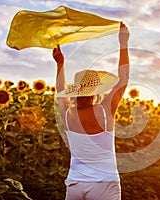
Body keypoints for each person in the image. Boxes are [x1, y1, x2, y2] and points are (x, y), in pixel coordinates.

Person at [53, 22, 129, 200]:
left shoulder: (67, 113)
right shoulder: (104, 111)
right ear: (97, 91)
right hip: (104, 185)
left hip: (75, 184)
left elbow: (60, 90)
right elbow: (124, 78)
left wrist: (60, 64)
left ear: (77, 91)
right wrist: (123, 43)